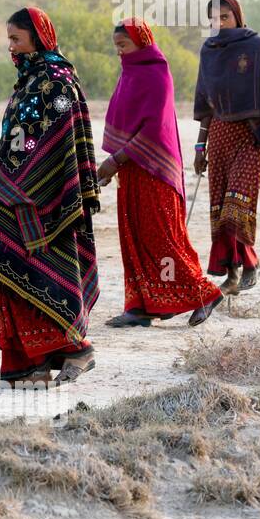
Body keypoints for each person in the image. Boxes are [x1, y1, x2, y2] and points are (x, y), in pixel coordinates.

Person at [0, 7, 101, 388]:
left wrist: (28, 180)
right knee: (13, 267)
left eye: (16, 39)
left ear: (38, 37)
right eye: (9, 40)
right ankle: (29, 363)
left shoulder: (59, 82)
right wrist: (0, 170)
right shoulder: (29, 80)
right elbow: (19, 135)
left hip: (49, 198)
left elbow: (61, 138)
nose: (11, 47)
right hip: (14, 187)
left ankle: (77, 347)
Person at [99, 17, 222, 327]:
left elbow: (154, 129)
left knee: (162, 240)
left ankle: (205, 293)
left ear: (141, 42)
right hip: (132, 170)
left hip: (154, 171)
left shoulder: (156, 73)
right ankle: (141, 307)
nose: (120, 53)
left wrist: (116, 160)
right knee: (135, 237)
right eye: (116, 47)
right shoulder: (128, 74)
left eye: (123, 45)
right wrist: (116, 163)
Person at [193, 0, 260, 293]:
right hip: (220, 137)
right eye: (213, 19)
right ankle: (232, 274)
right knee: (219, 207)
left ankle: (250, 263)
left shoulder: (256, 46)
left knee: (236, 205)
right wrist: (200, 148)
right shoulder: (209, 50)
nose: (219, 23)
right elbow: (206, 103)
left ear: (238, 16)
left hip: (251, 138)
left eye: (224, 17)